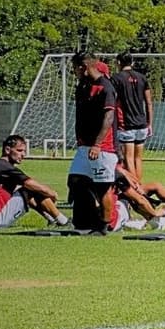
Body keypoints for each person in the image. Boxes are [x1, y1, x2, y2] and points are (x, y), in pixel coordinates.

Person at [68, 52, 119, 232]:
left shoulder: (106, 87)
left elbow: (109, 116)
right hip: (84, 147)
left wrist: (97, 144)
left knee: (103, 187)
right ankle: (84, 219)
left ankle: (104, 225)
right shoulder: (82, 86)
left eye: (75, 68)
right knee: (75, 180)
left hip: (103, 148)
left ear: (83, 67)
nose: (74, 72)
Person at [0, 135, 67, 228]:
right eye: (19, 150)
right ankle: (64, 221)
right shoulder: (4, 167)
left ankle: (52, 220)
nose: (23, 154)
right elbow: (31, 185)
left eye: (24, 151)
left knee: (26, 192)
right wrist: (52, 194)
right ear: (7, 150)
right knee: (31, 189)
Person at [109, 52, 153, 182]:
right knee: (138, 158)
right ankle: (139, 187)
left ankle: (135, 190)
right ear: (132, 62)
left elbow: (112, 99)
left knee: (128, 158)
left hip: (126, 124)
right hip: (142, 124)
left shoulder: (116, 79)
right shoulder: (142, 78)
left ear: (118, 63)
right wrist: (150, 123)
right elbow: (149, 102)